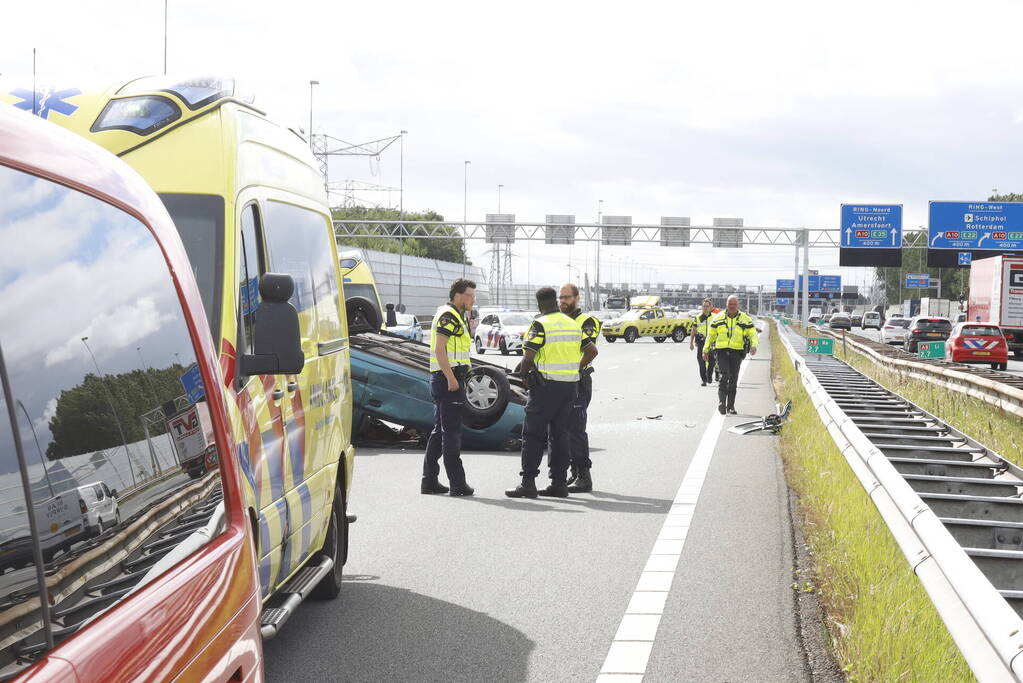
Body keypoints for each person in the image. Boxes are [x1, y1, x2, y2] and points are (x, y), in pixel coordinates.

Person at [506, 287, 596, 499]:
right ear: (556, 302)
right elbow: (592, 351)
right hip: (569, 387)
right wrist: (576, 368)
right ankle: (558, 483)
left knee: (532, 435)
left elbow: (528, 357)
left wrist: (524, 375)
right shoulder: (573, 324)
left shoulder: (540, 324)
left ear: (539, 305)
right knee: (560, 435)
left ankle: (528, 483)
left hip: (545, 388)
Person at [421, 279, 476, 496]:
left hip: (446, 379)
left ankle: (429, 481)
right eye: (471, 295)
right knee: (451, 433)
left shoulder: (455, 315)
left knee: (439, 432)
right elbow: (439, 349)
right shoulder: (448, 315)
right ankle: (457, 483)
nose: (473, 299)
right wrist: (451, 378)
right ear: (459, 295)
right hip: (448, 382)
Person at [557, 283, 600, 493]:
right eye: (560, 297)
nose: (562, 301)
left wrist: (575, 369)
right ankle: (573, 472)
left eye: (566, 297)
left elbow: (589, 349)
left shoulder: (586, 321)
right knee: (562, 429)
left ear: (577, 298)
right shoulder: (560, 321)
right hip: (561, 381)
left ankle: (584, 475)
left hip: (579, 380)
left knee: (576, 429)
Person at [704, 295, 759, 415]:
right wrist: (705, 350)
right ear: (726, 304)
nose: (732, 306)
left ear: (738, 305)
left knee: (733, 379)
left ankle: (731, 406)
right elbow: (711, 335)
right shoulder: (718, 318)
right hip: (722, 351)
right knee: (725, 375)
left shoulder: (745, 318)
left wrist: (754, 345)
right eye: (730, 304)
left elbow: (752, 333)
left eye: (734, 304)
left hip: (737, 352)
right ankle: (722, 403)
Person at [689, 298, 717, 386]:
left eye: (707, 306)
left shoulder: (715, 317)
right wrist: (691, 343)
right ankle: (703, 379)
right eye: (704, 306)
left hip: (712, 342)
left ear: (711, 307)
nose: (705, 308)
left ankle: (709, 375)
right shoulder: (698, 317)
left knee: (712, 361)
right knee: (701, 361)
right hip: (701, 341)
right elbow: (693, 330)